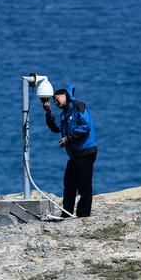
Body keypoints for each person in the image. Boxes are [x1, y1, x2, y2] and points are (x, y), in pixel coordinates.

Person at [42, 83, 98, 217]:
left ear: (65, 95)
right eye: (54, 100)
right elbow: (55, 128)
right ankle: (67, 213)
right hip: (74, 155)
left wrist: (68, 139)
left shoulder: (79, 106)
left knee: (84, 185)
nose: (55, 102)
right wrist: (48, 113)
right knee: (69, 184)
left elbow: (85, 126)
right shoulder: (64, 114)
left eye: (57, 98)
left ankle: (83, 214)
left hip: (86, 152)